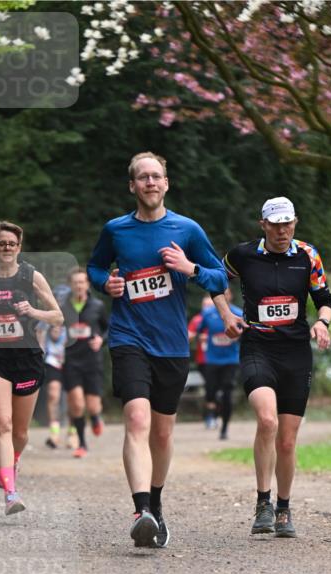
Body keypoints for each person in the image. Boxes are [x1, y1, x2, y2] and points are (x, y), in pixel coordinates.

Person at [87, 151, 227, 548]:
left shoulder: (187, 230)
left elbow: (218, 275)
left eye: (156, 176)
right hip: (129, 338)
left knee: (162, 434)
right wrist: (105, 284)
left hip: (171, 345)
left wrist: (189, 268)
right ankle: (141, 510)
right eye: (142, 177)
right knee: (136, 421)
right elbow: (96, 267)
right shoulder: (116, 230)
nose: (150, 183)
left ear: (166, 183)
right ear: (132, 186)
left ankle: (157, 504)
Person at [214, 196, 331, 538]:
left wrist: (322, 324)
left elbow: (324, 299)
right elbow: (215, 280)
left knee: (287, 440)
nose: (283, 231)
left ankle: (283, 508)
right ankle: (262, 502)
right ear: (263, 225)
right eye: (276, 224)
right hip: (258, 347)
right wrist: (227, 314)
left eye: (288, 224)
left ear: (295, 223)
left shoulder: (308, 255)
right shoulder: (243, 255)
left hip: (296, 352)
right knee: (267, 420)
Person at [0, 221, 63, 514]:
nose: (7, 248)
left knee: (20, 431)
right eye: (2, 243)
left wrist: (32, 311)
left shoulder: (32, 276)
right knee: (2, 424)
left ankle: (13, 460)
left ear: (19, 247)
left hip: (27, 357)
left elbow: (57, 317)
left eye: (12, 244)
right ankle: (10, 493)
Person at [59, 267, 109, 458]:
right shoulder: (64, 306)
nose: (79, 285)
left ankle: (96, 417)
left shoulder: (97, 306)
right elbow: (53, 328)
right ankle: (82, 444)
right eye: (75, 282)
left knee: (93, 405)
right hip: (71, 360)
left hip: (92, 361)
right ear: (70, 285)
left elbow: (108, 329)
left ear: (87, 284)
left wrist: (101, 340)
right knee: (77, 404)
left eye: (82, 282)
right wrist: (56, 337)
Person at [199, 288, 243, 440]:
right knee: (210, 392)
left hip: (231, 360)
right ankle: (211, 414)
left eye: (227, 293)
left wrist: (239, 336)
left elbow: (247, 333)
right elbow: (198, 330)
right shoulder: (208, 313)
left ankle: (224, 428)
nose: (224, 296)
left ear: (231, 296)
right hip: (212, 360)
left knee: (227, 393)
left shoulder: (238, 313)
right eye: (221, 293)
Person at [40, 322, 68, 448]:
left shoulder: (70, 327)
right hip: (52, 364)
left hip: (70, 364)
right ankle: (54, 433)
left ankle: (73, 432)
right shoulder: (44, 329)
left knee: (73, 400)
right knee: (53, 396)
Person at [188, 294, 213, 426]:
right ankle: (209, 416)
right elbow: (188, 335)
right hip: (203, 360)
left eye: (210, 306)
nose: (207, 308)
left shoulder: (221, 318)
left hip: (223, 360)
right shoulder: (197, 320)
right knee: (210, 388)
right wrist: (198, 336)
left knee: (220, 388)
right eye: (205, 306)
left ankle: (213, 414)